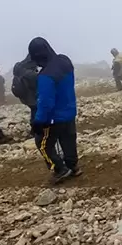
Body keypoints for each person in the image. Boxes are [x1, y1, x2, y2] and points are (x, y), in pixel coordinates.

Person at [30, 37, 80, 184]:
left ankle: (59, 169)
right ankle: (73, 167)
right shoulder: (65, 61)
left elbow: (45, 102)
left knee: (43, 144)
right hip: (69, 112)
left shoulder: (46, 76)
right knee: (68, 139)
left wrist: (38, 122)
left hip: (54, 118)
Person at [12, 51, 41, 126]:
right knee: (36, 110)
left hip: (23, 95)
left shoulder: (20, 67)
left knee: (34, 110)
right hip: (30, 96)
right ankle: (35, 129)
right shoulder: (30, 72)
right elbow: (36, 83)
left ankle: (34, 126)